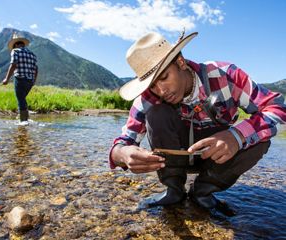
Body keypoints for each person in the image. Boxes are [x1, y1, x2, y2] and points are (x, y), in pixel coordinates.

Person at [109, 30, 286, 216]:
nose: (161, 90)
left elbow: (277, 108)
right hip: (176, 159)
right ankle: (174, 190)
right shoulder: (147, 98)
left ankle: (203, 191)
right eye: (152, 85)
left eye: (164, 77)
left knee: (259, 137)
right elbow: (123, 142)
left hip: (217, 157)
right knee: (157, 112)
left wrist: (237, 135)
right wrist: (122, 154)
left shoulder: (225, 76)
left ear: (180, 62)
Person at [2, 32, 38, 123]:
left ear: (15, 44)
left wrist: (6, 79)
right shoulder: (32, 54)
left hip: (20, 79)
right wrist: (34, 81)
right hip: (30, 81)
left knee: (21, 100)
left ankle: (23, 122)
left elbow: (13, 65)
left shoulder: (15, 51)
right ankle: (25, 119)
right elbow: (36, 69)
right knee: (22, 99)